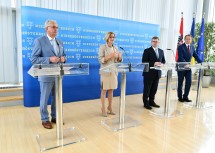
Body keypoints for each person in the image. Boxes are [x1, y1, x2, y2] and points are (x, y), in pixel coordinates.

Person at [31, 19, 66, 129]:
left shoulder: (60, 41)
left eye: (57, 27)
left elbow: (64, 55)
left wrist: (64, 59)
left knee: (57, 98)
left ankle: (55, 117)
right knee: (44, 99)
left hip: (58, 75)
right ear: (47, 28)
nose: (56, 29)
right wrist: (49, 59)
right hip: (45, 75)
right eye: (53, 27)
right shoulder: (39, 41)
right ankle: (44, 119)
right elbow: (34, 59)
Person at [98, 32, 122, 117]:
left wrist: (120, 58)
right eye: (111, 37)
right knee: (104, 90)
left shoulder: (115, 48)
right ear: (107, 38)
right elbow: (100, 60)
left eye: (114, 37)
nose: (113, 38)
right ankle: (103, 108)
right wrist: (109, 56)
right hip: (105, 72)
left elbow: (117, 61)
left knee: (111, 90)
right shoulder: (102, 47)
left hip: (113, 72)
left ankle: (110, 107)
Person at [142, 36, 166, 110]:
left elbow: (163, 61)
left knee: (154, 89)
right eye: (153, 41)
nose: (155, 42)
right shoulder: (147, 50)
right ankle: (146, 103)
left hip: (157, 73)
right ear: (151, 42)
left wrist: (162, 63)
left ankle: (151, 101)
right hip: (148, 73)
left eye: (156, 41)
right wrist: (154, 63)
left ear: (159, 42)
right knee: (147, 89)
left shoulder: (161, 51)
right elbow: (144, 61)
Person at [177, 34, 201, 102]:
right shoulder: (180, 47)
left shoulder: (192, 47)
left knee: (189, 82)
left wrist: (201, 62)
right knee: (180, 83)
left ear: (191, 40)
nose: (188, 40)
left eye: (189, 39)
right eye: (187, 39)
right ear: (184, 39)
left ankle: (185, 97)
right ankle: (180, 97)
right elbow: (180, 57)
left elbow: (196, 56)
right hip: (181, 67)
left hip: (188, 68)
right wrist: (186, 64)